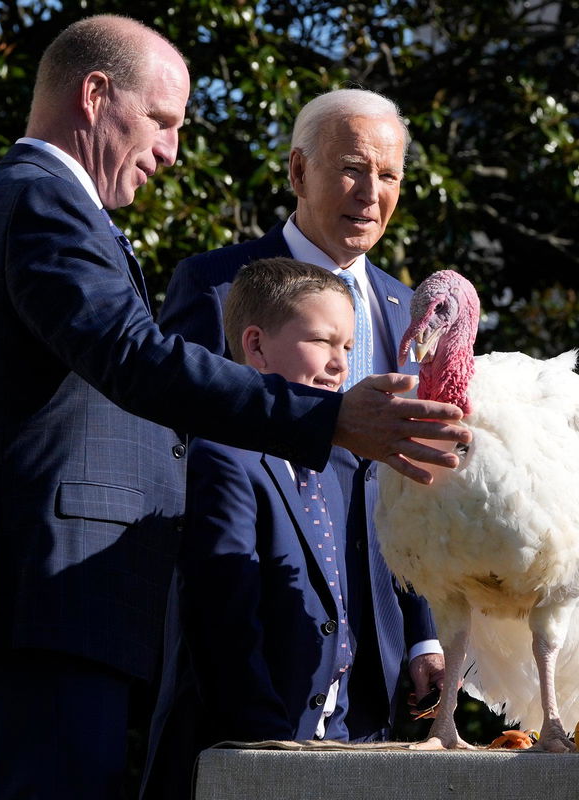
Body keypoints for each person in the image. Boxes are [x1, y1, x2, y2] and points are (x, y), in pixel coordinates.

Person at [0, 16, 468, 800]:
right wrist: (327, 417)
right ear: (95, 95)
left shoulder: (46, 206)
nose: (169, 152)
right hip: (40, 605)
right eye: (162, 122)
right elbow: (136, 358)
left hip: (59, 611)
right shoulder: (39, 201)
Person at [153, 88, 446, 745]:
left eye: (390, 175)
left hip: (378, 659)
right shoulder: (216, 286)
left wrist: (425, 626)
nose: (371, 193)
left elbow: (413, 483)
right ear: (297, 171)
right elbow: (179, 445)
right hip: (252, 639)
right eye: (352, 168)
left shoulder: (410, 310)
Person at [152, 257, 363, 797]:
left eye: (347, 346)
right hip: (248, 759)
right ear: (256, 346)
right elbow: (225, 623)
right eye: (322, 341)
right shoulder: (224, 456)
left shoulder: (334, 468)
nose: (340, 364)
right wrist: (270, 752)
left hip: (324, 754)